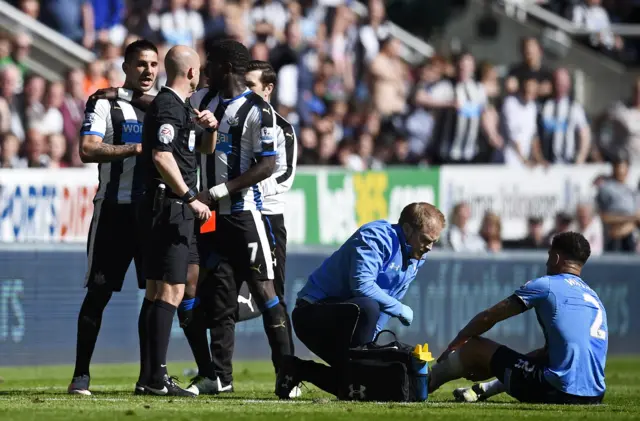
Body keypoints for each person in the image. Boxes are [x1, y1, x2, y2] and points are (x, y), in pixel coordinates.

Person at [181, 40, 292, 396]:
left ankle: (287, 377)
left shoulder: (260, 111)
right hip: (211, 219)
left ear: (227, 66)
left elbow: (267, 165)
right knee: (217, 298)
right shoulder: (203, 100)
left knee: (265, 294)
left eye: (210, 63)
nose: (205, 71)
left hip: (245, 216)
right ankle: (219, 377)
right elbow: (167, 106)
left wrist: (218, 191)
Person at [274, 202, 446, 400]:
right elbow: (361, 286)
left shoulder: (416, 255)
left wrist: (369, 346)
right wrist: (399, 308)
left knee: (361, 381)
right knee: (368, 306)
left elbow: (387, 302)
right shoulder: (376, 237)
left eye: (434, 242)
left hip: (352, 321)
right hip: (313, 315)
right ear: (407, 229)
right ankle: (349, 366)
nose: (430, 248)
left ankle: (297, 368)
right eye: (426, 240)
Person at [68, 40, 159, 396]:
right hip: (113, 211)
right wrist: (133, 149)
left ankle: (150, 378)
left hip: (152, 214)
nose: (148, 71)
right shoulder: (104, 102)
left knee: (157, 297)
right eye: (140, 64)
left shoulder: (165, 105)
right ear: (126, 66)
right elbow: (87, 149)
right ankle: (80, 376)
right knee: (98, 294)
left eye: (153, 64)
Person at [430, 232, 608, 405]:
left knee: (473, 346)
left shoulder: (546, 285)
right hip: (595, 395)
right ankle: (484, 389)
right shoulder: (594, 298)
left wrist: (456, 343)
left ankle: (425, 383)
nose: (547, 262)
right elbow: (548, 354)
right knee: (544, 356)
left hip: (557, 390)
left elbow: (489, 317)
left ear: (555, 258)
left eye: (548, 256)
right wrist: (499, 367)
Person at [138, 44, 215, 397]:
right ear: (191, 73)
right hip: (171, 206)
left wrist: (209, 127)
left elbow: (203, 150)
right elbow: (161, 156)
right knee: (171, 290)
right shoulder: (169, 104)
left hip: (164, 206)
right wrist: (188, 197)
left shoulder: (182, 108)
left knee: (157, 292)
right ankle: (156, 378)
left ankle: (150, 377)